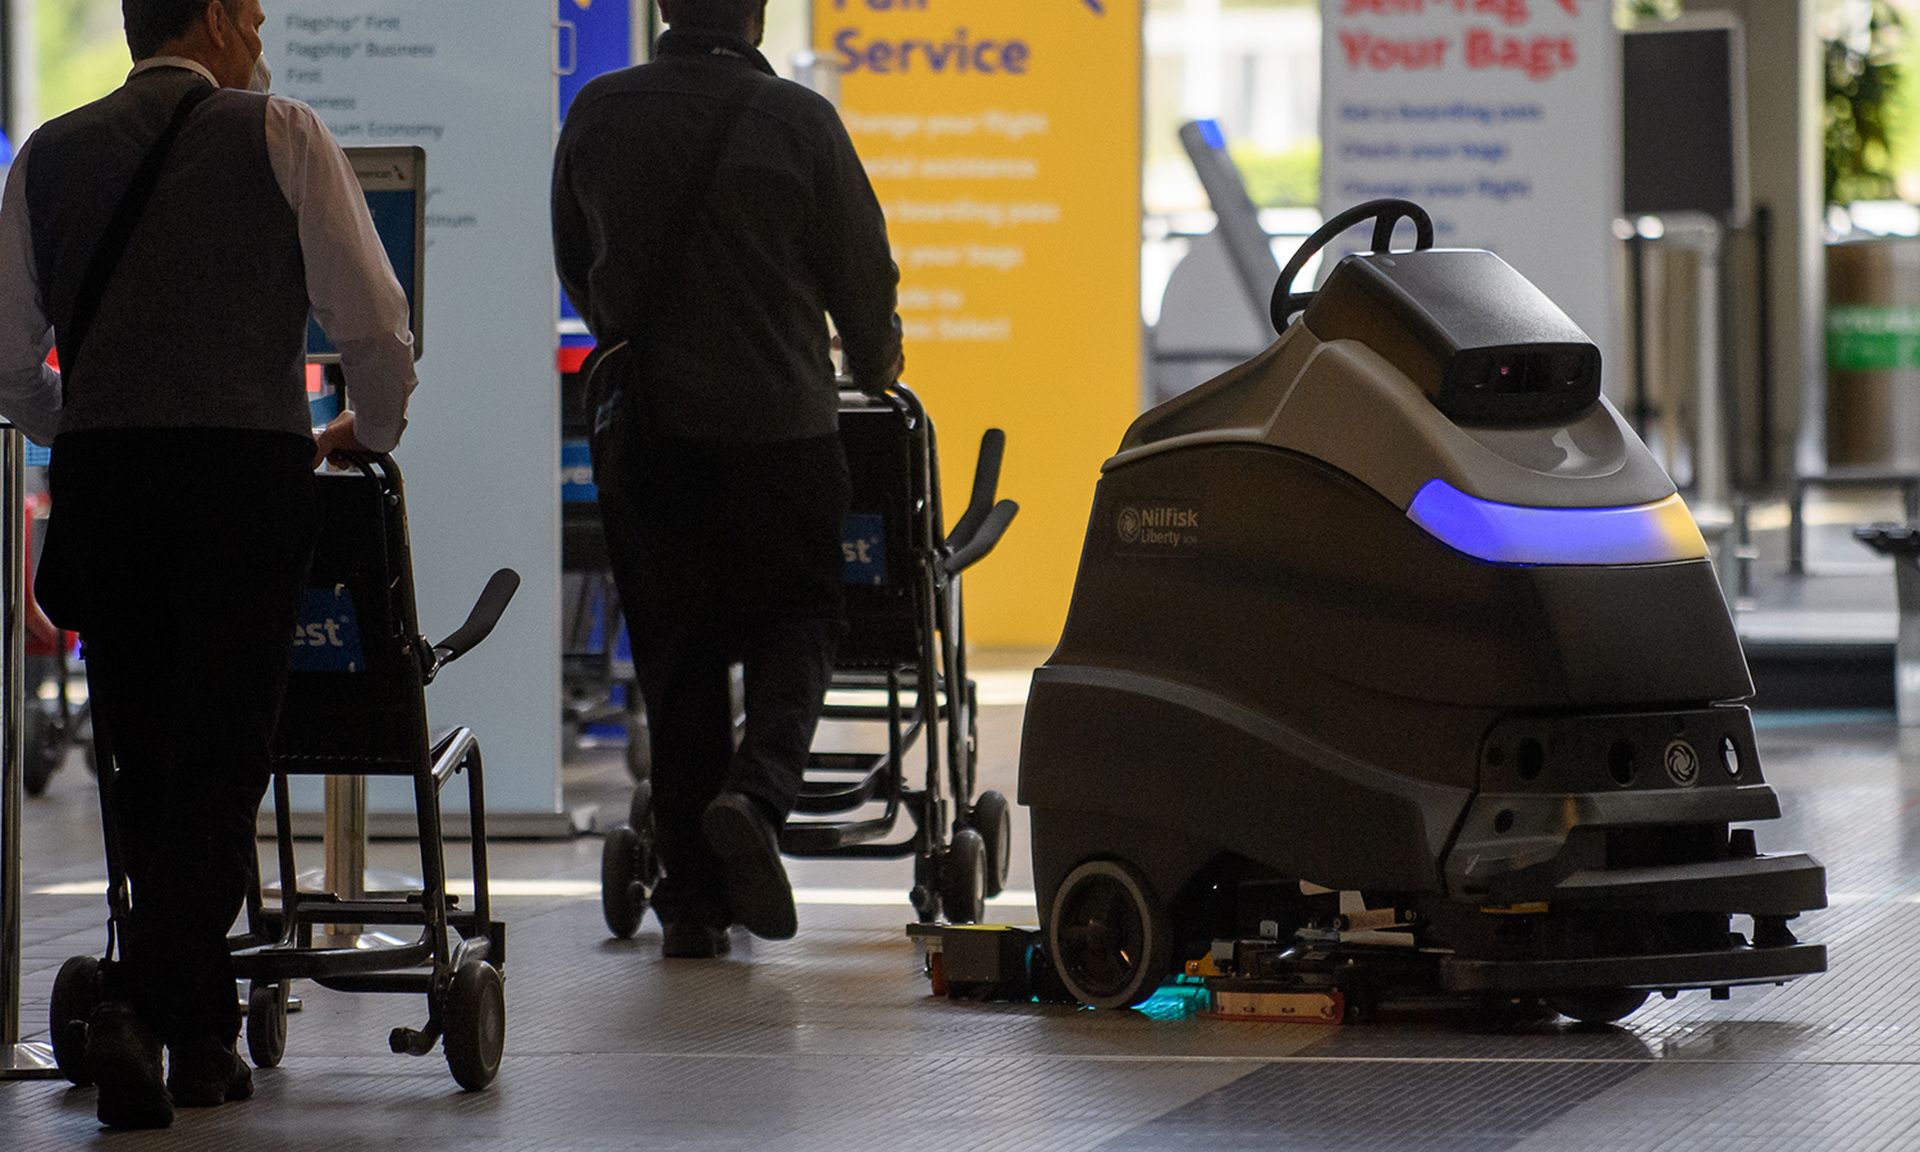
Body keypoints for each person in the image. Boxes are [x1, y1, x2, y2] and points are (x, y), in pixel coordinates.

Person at [0, 0, 415, 1129]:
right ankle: (141, 1009)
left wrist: (75, 420)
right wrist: (369, 432)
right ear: (225, 19)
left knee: (143, 757)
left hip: (107, 485)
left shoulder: (48, 154)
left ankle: (201, 1035)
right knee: (224, 759)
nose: (267, 24)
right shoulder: (280, 131)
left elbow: (7, 363)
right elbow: (373, 323)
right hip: (241, 482)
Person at [553, 0, 903, 960]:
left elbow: (578, 269)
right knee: (802, 618)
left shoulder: (599, 113)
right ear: (755, 14)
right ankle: (755, 794)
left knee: (678, 655)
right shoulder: (801, 122)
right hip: (781, 429)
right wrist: (875, 365)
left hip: (650, 435)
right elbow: (864, 279)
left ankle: (695, 909)